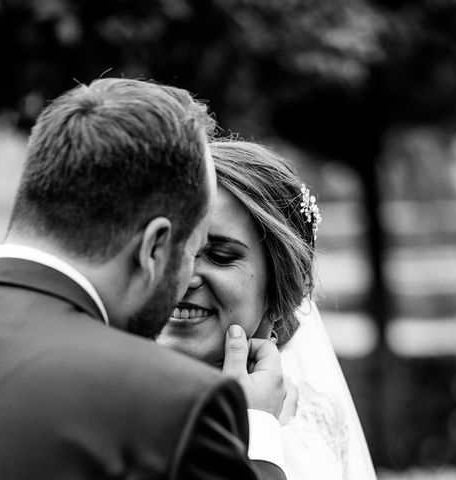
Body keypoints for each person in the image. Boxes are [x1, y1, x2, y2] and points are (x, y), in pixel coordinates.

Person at [0, 79, 287, 480]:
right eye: (193, 248)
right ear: (154, 247)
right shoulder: (172, 406)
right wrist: (257, 434)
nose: (190, 277)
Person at [158, 139, 377, 480]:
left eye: (220, 256)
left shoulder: (318, 416)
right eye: (172, 249)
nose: (184, 276)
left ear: (280, 286)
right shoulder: (111, 407)